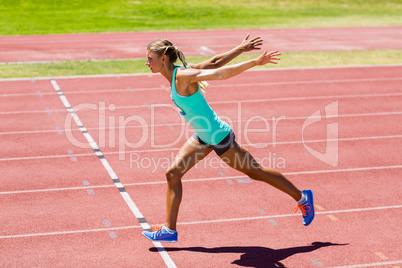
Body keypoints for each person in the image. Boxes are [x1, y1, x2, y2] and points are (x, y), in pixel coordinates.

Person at [142, 34, 314, 243]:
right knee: (172, 174)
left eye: (150, 58)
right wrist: (240, 48)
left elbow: (220, 73)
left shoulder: (182, 77)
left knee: (256, 172)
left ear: (163, 59)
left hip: (218, 137)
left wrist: (254, 62)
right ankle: (169, 230)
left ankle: (303, 198)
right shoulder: (180, 73)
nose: (147, 63)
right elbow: (214, 61)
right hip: (203, 137)